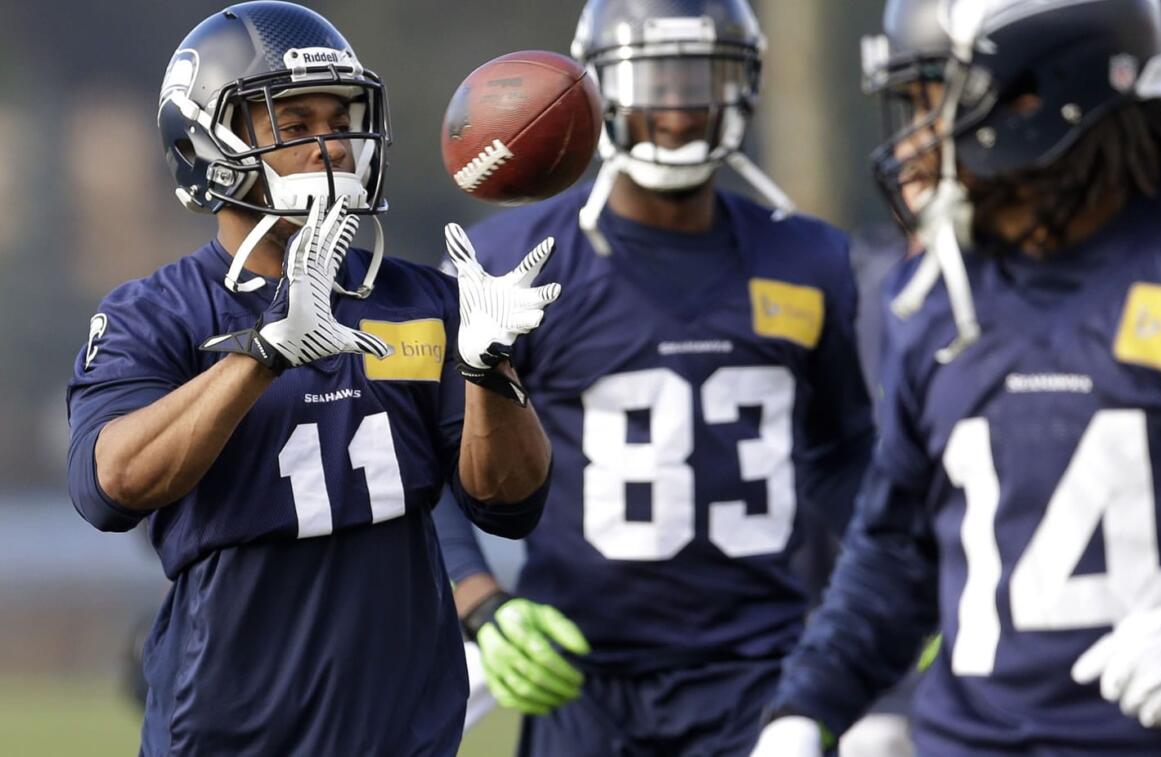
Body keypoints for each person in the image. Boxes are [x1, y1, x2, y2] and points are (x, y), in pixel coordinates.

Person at [65, 2, 561, 754]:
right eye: (295, 126)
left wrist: (491, 369)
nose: (334, 145)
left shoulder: (422, 300)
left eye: (343, 118)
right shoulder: (155, 313)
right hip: (228, 730)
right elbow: (109, 486)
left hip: (406, 731)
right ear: (208, 139)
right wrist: (261, 354)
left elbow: (508, 502)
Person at [753, 0, 1161, 754]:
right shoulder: (937, 298)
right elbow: (894, 550)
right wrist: (805, 707)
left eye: (933, 98)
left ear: (1036, 93)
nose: (914, 140)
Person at [433, 0, 875, 754]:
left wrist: (872, 605)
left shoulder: (811, 258)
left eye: (700, 81)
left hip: (766, 675)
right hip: (583, 680)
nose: (678, 113)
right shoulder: (518, 258)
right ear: (599, 90)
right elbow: (433, 460)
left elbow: (849, 456)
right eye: (655, 82)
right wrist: (481, 602)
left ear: (743, 85)